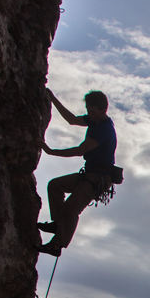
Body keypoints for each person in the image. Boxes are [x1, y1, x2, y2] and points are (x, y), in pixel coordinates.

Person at [38, 89, 120, 256]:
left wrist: (51, 151)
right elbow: (71, 120)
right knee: (55, 186)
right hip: (90, 174)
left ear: (103, 109)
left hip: (99, 178)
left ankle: (56, 246)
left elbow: (80, 150)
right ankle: (58, 224)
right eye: (88, 109)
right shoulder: (94, 121)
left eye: (92, 111)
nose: (89, 113)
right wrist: (53, 99)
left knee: (70, 208)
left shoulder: (103, 129)